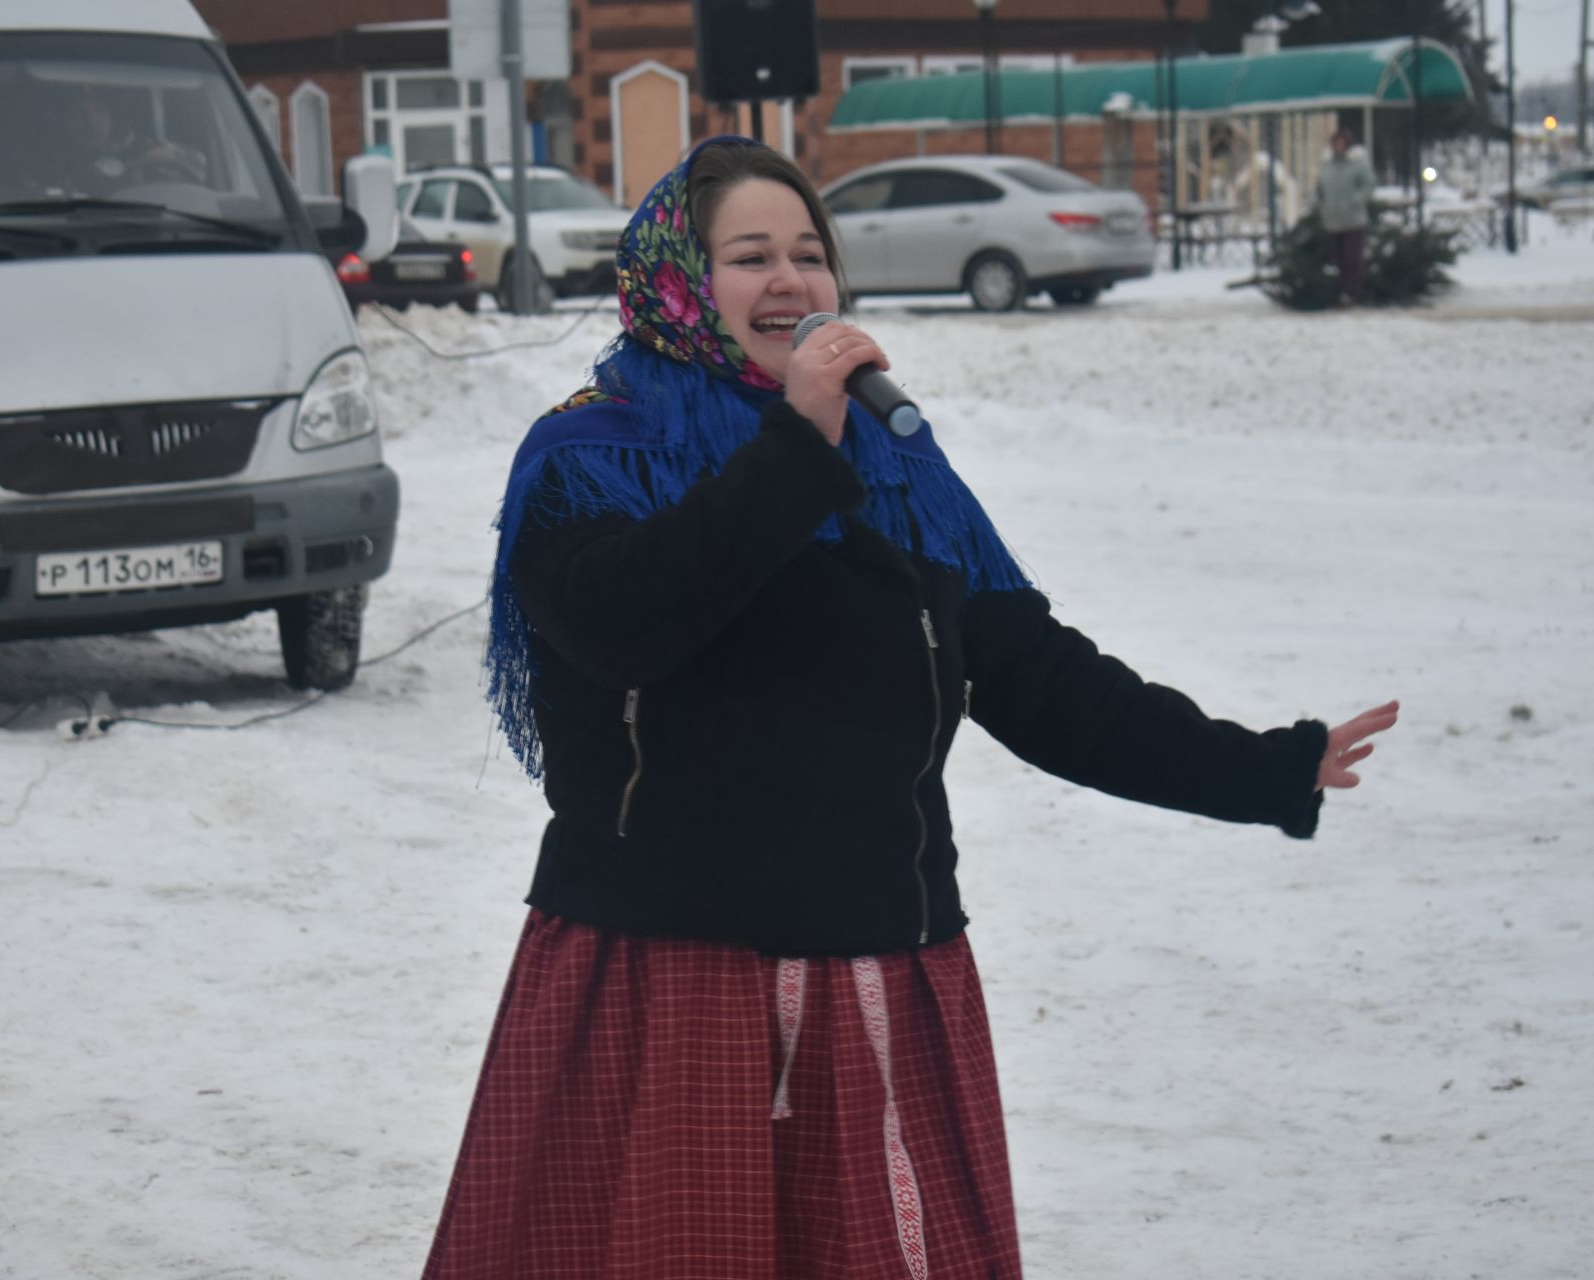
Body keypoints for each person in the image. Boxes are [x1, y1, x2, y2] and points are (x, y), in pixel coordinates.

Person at [422, 136, 1399, 1280]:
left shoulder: (896, 467)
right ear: (678, 278)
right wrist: (796, 445)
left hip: (877, 971)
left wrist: (1256, 767)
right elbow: (628, 622)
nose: (791, 281)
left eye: (808, 254)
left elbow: (1037, 676)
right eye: (749, 256)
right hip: (673, 981)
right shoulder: (590, 456)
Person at [55, 84, 205, 191]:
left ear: (111, 118)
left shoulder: (144, 158)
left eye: (98, 111)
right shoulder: (52, 168)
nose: (91, 122)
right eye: (80, 114)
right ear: (65, 122)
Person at [1315, 127, 1376, 305]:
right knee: (1339, 259)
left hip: (1353, 219)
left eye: (1342, 143)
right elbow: (1320, 187)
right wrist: (1320, 202)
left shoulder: (1358, 163)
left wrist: (1356, 200)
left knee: (1352, 258)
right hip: (1332, 219)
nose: (1339, 146)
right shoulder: (1327, 165)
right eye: (1336, 143)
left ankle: (1352, 292)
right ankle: (1340, 290)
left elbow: (1369, 184)